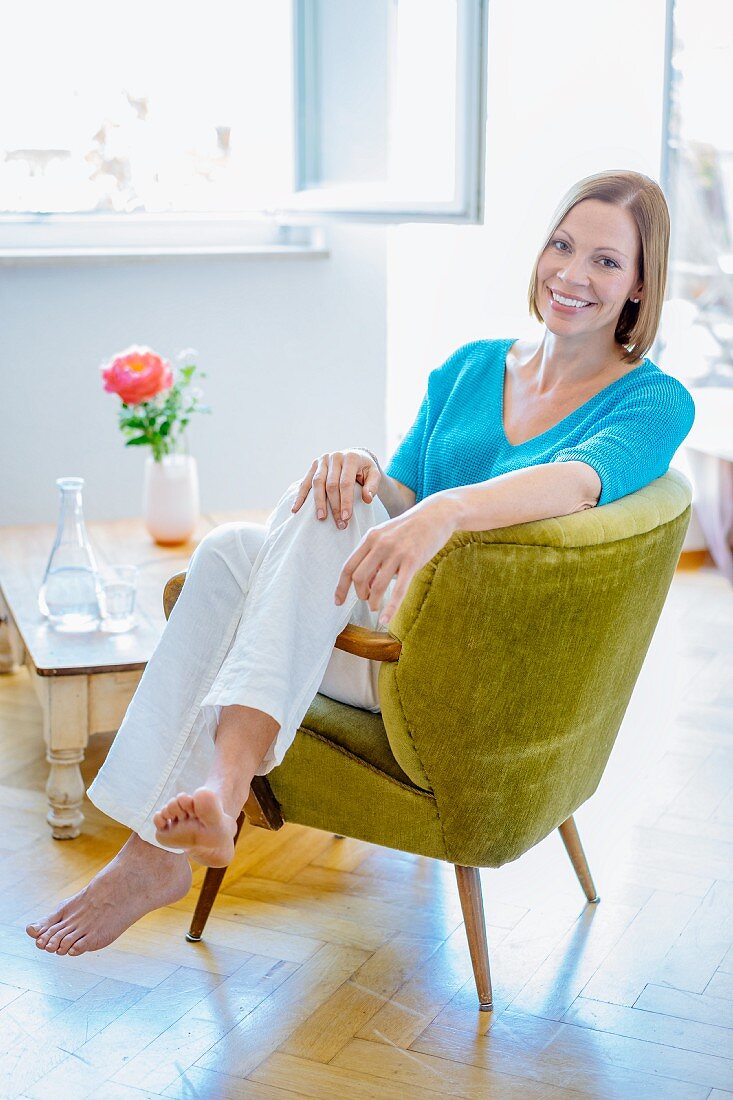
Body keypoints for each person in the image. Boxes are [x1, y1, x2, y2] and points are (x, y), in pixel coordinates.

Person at [27, 169, 695, 957]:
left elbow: (576, 483)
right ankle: (200, 810)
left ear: (639, 285)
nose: (572, 274)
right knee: (251, 538)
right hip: (372, 624)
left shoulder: (653, 402)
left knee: (277, 540)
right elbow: (400, 492)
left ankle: (188, 822)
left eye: (606, 262)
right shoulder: (472, 368)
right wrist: (359, 467)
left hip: (444, 663)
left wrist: (446, 511)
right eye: (561, 245)